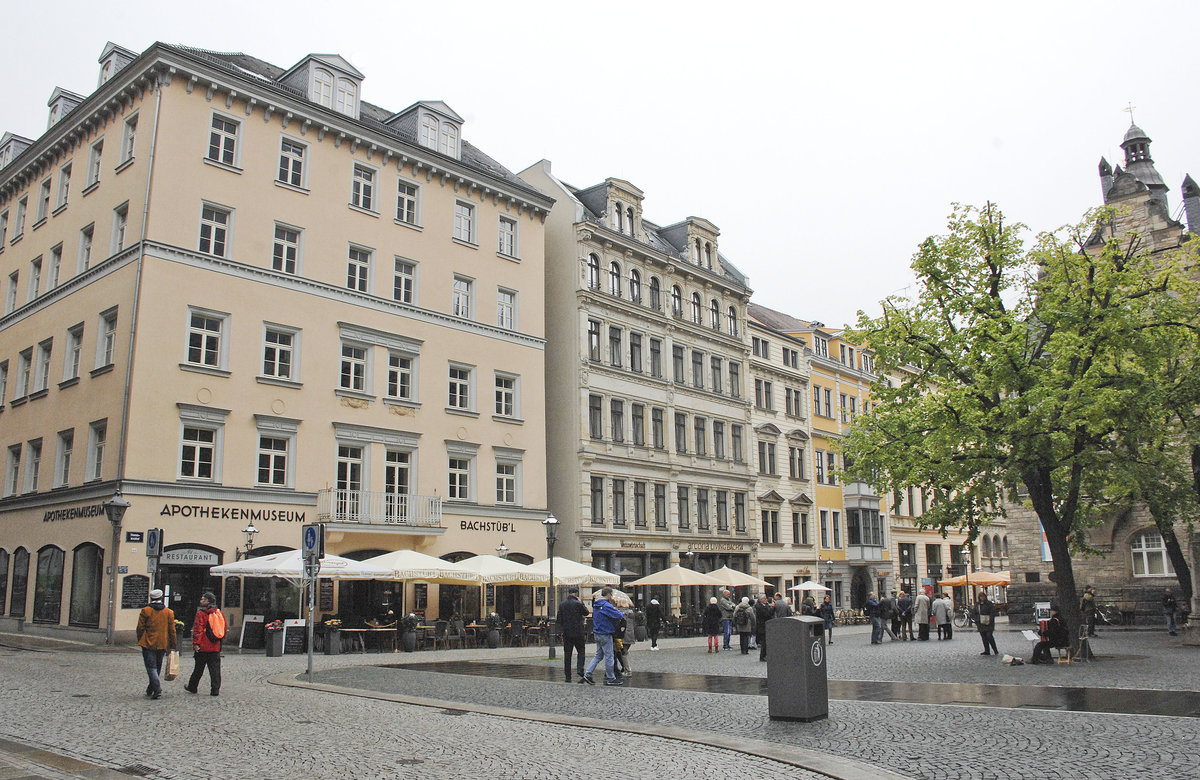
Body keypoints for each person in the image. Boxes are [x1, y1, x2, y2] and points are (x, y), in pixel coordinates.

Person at [136, 588, 176, 699]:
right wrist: (173, 644)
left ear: (151, 598)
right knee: (157, 666)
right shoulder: (169, 612)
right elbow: (172, 630)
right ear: (161, 598)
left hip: (148, 642)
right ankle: (151, 688)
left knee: (151, 667)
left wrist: (140, 639)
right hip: (162, 642)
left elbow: (140, 627)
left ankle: (157, 688)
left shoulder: (146, 611)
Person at [582, 587, 626, 686]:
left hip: (597, 632)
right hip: (605, 633)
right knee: (609, 656)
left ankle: (588, 674)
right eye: (612, 595)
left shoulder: (596, 604)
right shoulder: (606, 605)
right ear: (609, 595)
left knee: (598, 655)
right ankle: (611, 678)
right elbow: (619, 615)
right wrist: (616, 609)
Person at [185, 592, 223, 696]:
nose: (201, 601)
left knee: (198, 668)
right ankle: (215, 690)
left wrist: (196, 643)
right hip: (215, 646)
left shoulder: (201, 613)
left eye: (203, 599)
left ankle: (192, 687)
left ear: (208, 601)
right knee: (215, 670)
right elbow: (222, 628)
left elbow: (198, 629)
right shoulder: (218, 612)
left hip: (203, 646)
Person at [557, 588, 590, 682]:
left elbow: (559, 619)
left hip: (567, 632)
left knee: (567, 654)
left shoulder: (562, 604)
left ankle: (568, 675)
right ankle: (580, 669)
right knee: (581, 651)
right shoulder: (578, 604)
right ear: (576, 594)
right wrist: (582, 603)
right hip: (578, 631)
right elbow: (586, 613)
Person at [974, 590, 999, 656]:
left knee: (989, 636)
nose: (982, 598)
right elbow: (975, 613)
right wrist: (976, 620)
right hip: (980, 623)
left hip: (988, 623)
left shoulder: (989, 604)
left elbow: (992, 612)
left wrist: (990, 619)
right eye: (980, 597)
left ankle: (995, 650)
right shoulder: (977, 604)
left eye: (983, 596)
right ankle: (986, 650)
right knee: (984, 637)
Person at [754, 593, 773, 661]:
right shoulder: (759, 606)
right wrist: (772, 608)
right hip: (762, 626)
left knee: (766, 641)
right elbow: (766, 614)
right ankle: (762, 656)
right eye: (765, 598)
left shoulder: (766, 605)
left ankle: (765, 655)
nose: (766, 600)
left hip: (766, 625)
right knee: (764, 642)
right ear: (761, 600)